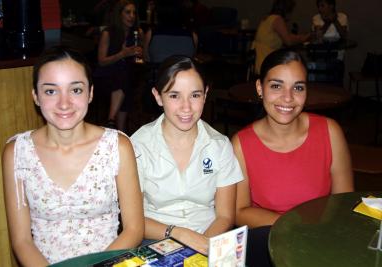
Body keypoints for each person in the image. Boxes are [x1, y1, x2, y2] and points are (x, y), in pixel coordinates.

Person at [2, 46, 144, 266]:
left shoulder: (117, 146)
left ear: (91, 93)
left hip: (107, 262)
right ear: (36, 96)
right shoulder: (17, 153)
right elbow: (21, 241)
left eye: (75, 90)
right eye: (51, 91)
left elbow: (134, 229)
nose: (64, 103)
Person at [232, 48, 354, 267]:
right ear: (260, 88)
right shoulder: (241, 144)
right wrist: (291, 225)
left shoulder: (330, 131)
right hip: (268, 242)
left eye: (298, 87)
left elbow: (344, 202)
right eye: (276, 86)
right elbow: (239, 212)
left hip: (321, 241)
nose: (287, 98)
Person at [131, 55, 243, 254]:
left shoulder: (219, 145)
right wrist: (177, 233)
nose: (186, 107)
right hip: (155, 238)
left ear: (206, 94)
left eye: (195, 95)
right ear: (158, 96)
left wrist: (201, 247)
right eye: (174, 96)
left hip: (209, 235)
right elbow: (133, 220)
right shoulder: (138, 145)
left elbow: (225, 216)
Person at [94, 0, 143, 132]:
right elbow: (102, 61)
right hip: (106, 75)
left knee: (126, 77)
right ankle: (117, 127)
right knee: (123, 77)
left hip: (128, 75)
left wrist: (140, 56)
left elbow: (143, 59)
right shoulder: (108, 33)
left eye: (134, 13)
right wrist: (122, 54)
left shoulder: (137, 33)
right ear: (119, 14)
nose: (132, 16)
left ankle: (114, 126)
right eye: (127, 12)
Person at [252, 0, 310, 75]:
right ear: (287, 10)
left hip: (259, 58)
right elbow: (288, 41)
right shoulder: (277, 19)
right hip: (266, 59)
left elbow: (287, 35)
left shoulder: (268, 18)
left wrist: (301, 37)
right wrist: (305, 38)